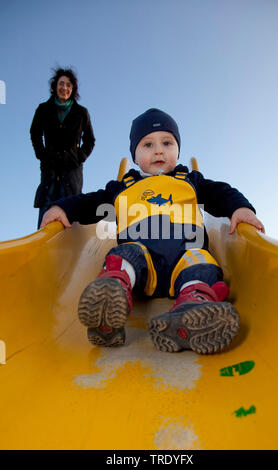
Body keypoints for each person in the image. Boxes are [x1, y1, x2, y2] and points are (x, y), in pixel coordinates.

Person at [40, 108, 265, 354]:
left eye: (167, 143)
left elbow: (221, 192)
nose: (158, 150)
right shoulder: (122, 187)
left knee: (201, 260)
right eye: (147, 144)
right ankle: (111, 294)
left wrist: (240, 208)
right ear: (135, 157)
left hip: (185, 254)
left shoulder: (190, 180)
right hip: (141, 262)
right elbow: (90, 202)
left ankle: (193, 305)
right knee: (126, 253)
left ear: (177, 150)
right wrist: (62, 208)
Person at [30, 67, 95, 228]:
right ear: (55, 86)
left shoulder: (81, 113)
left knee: (70, 209)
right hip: (50, 169)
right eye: (61, 84)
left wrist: (78, 157)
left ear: (72, 89)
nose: (64, 88)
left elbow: (90, 140)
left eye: (68, 85)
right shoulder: (43, 109)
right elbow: (35, 133)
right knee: (47, 208)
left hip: (72, 171)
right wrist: (42, 154)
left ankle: (71, 251)